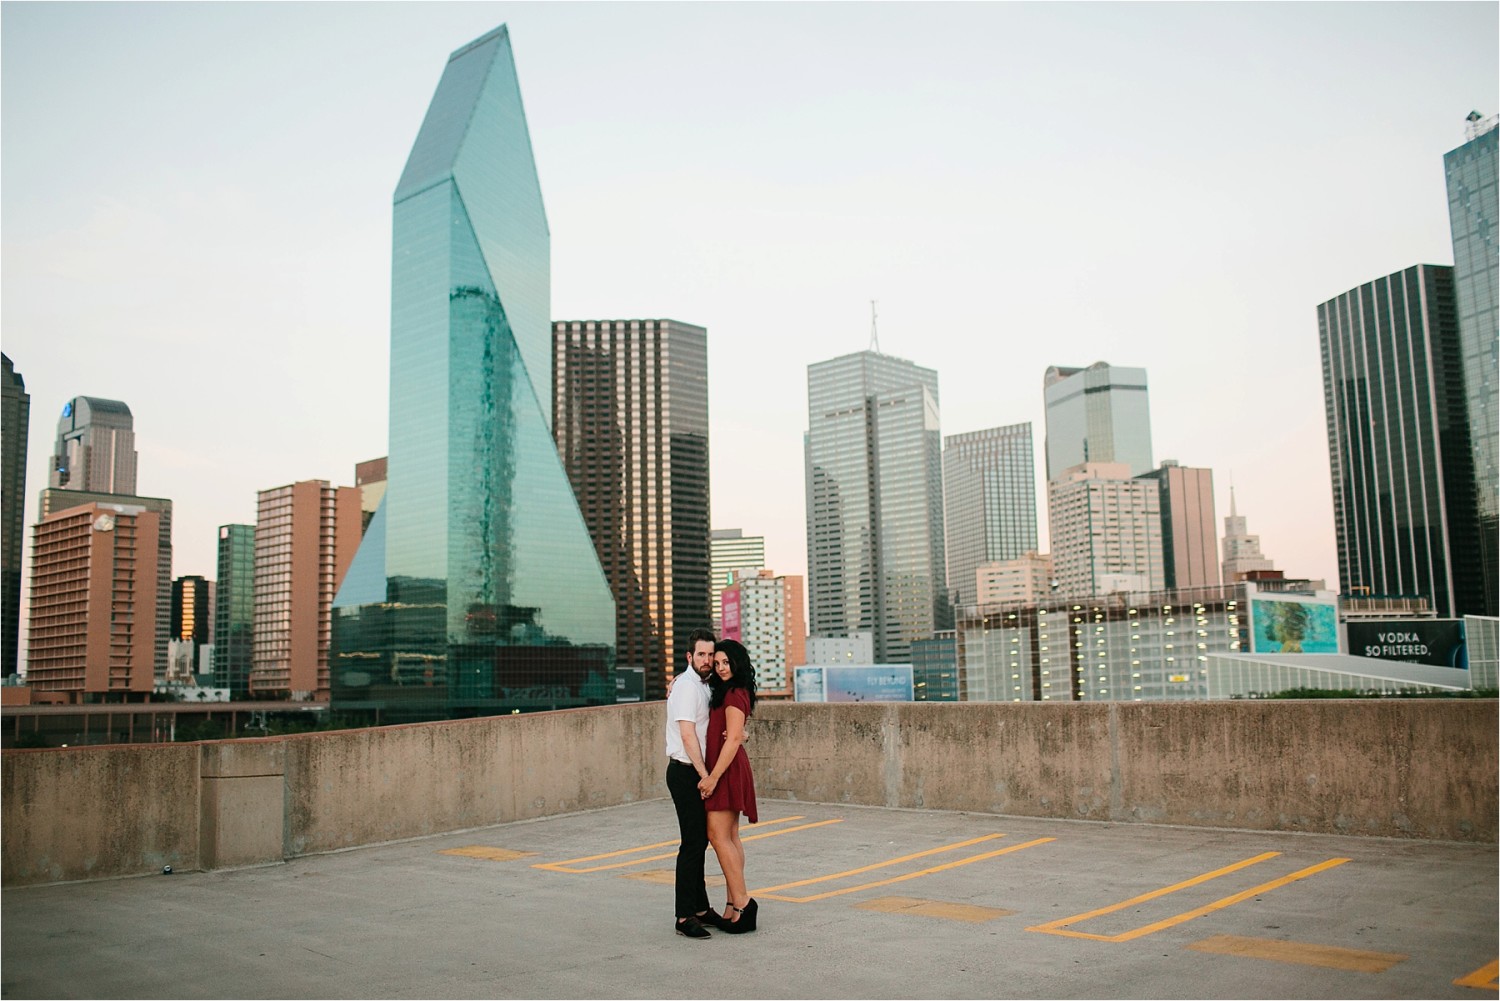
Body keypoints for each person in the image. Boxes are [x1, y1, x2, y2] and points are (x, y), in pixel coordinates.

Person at [698, 638, 760, 934]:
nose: (722, 668)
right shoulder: (728, 690)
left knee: (717, 835)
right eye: (718, 662)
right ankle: (733, 905)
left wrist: (712, 778)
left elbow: (733, 738)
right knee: (730, 836)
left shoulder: (735, 693)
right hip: (730, 767)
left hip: (726, 770)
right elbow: (738, 734)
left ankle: (744, 903)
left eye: (726, 662)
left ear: (737, 663)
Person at [665, 627, 723, 939]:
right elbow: (688, 736)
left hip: (695, 771)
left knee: (700, 841)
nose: (706, 659)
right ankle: (684, 916)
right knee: (692, 843)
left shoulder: (704, 683)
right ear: (690, 657)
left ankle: (700, 909)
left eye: (710, 655)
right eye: (700, 654)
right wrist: (705, 777)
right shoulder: (687, 687)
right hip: (686, 771)